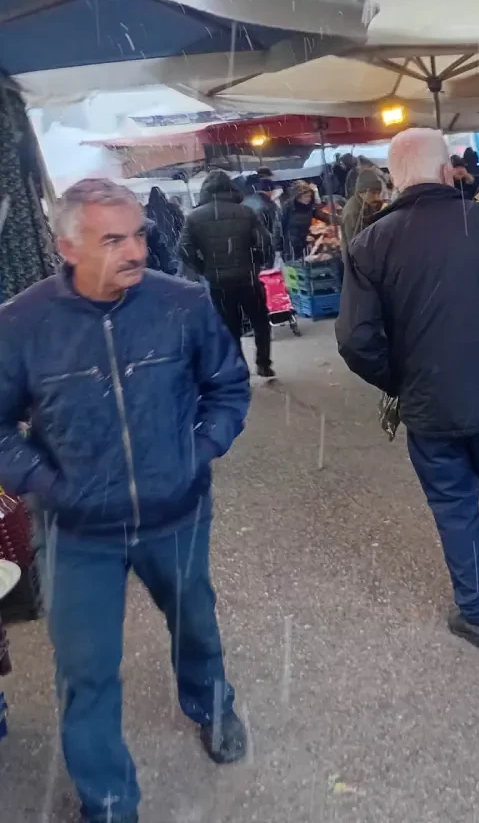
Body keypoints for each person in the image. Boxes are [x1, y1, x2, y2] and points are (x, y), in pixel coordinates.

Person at [0, 179, 251, 823]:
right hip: (77, 531)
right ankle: (107, 798)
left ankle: (211, 707)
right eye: (113, 239)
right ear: (67, 246)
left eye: (138, 233)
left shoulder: (182, 304)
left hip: (177, 513)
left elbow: (227, 387)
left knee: (196, 626)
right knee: (86, 668)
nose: (135, 250)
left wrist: (196, 454)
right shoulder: (22, 325)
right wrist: (47, 483)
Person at [336, 128, 479, 648]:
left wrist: (399, 378)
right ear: (446, 171)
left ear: (393, 179)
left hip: (428, 404)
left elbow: (356, 340)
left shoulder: (369, 244)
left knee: (453, 506)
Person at [180, 170, 276, 377]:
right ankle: (264, 363)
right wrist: (258, 262)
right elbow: (265, 242)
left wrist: (203, 268)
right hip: (248, 277)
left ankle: (240, 369)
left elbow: (184, 249)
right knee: (259, 320)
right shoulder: (246, 212)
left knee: (229, 327)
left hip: (218, 282)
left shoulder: (194, 217)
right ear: (231, 189)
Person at [340, 167, 386, 248]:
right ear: (362, 191)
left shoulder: (367, 203)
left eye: (378, 193)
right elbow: (355, 245)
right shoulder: (353, 212)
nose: (377, 197)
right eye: (374, 193)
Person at [144, 184, 183, 275]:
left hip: (158, 239)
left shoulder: (147, 209)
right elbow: (181, 223)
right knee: (173, 258)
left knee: (162, 257)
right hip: (172, 237)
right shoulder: (172, 208)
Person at [280, 182, 322, 262]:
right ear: (298, 196)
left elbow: (321, 215)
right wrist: (278, 249)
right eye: (306, 196)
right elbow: (279, 227)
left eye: (310, 196)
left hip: (305, 245)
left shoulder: (309, 207)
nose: (309, 198)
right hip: (291, 247)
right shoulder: (287, 207)